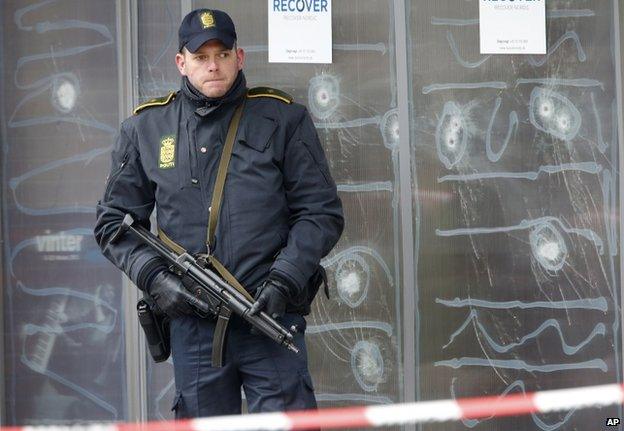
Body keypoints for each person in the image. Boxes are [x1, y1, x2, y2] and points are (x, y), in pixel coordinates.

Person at [94, 8, 344, 418]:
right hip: (193, 325)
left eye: (223, 54)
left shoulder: (283, 118)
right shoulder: (146, 129)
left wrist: (285, 279)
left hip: (270, 317)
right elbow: (112, 223)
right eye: (201, 57)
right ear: (181, 62)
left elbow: (321, 212)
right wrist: (156, 280)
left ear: (239, 57)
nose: (213, 65)